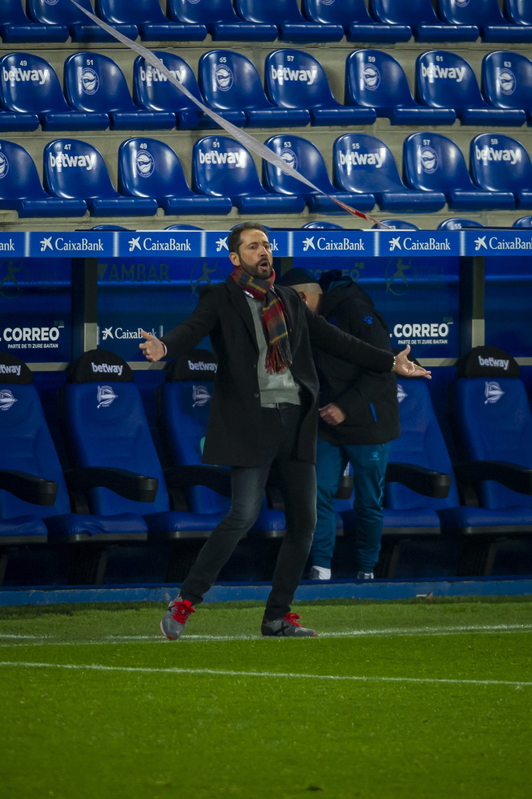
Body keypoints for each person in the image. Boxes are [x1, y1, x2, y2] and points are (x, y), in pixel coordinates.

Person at [139, 223, 430, 640]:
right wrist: (165, 347)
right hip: (251, 422)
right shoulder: (220, 296)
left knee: (304, 522)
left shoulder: (290, 299)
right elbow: (193, 328)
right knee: (242, 515)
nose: (264, 252)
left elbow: (339, 341)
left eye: (267, 245)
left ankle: (277, 617)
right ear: (235, 258)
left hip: (295, 421)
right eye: (253, 246)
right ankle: (185, 601)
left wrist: (390, 362)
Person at [279, 267, 401, 581]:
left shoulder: (356, 311)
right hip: (327, 423)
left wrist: (346, 407)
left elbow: (382, 367)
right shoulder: (306, 321)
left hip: (368, 423)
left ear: (303, 298)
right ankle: (321, 568)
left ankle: (367, 571)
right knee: (317, 493)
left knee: (368, 500)